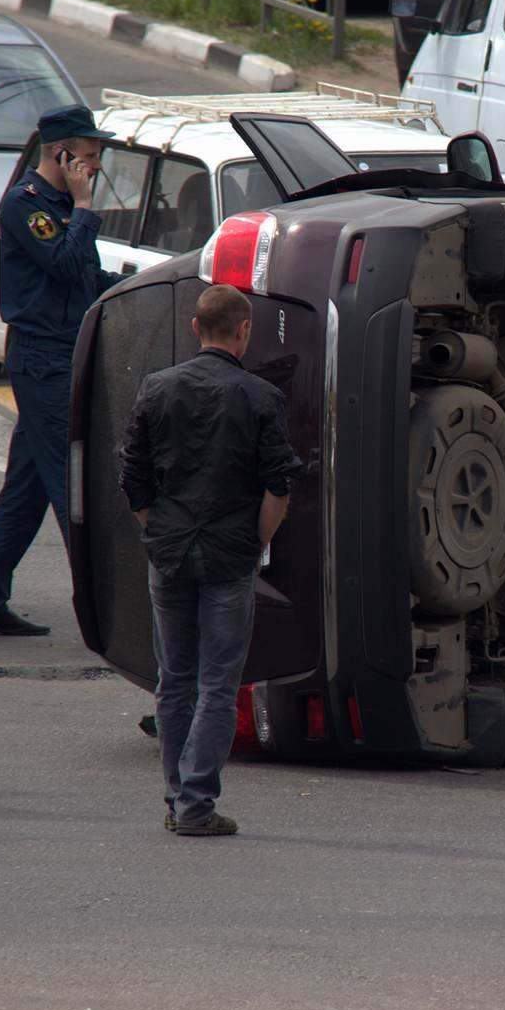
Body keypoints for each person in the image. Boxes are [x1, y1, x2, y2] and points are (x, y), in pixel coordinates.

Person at [118, 283, 300, 837]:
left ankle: (178, 800)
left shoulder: (157, 387)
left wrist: (161, 530)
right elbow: (278, 488)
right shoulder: (261, 397)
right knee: (218, 684)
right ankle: (197, 803)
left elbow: (134, 478)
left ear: (196, 329)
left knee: (173, 680)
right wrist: (255, 544)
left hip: (169, 552)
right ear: (244, 331)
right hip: (229, 554)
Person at [0, 104, 123, 636]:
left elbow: (82, 276)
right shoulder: (26, 205)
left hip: (60, 353)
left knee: (27, 488)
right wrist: (82, 207)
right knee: (71, 488)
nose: (96, 167)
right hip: (44, 358)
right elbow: (61, 263)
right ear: (62, 154)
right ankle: (104, 618)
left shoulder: (57, 205)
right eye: (90, 156)